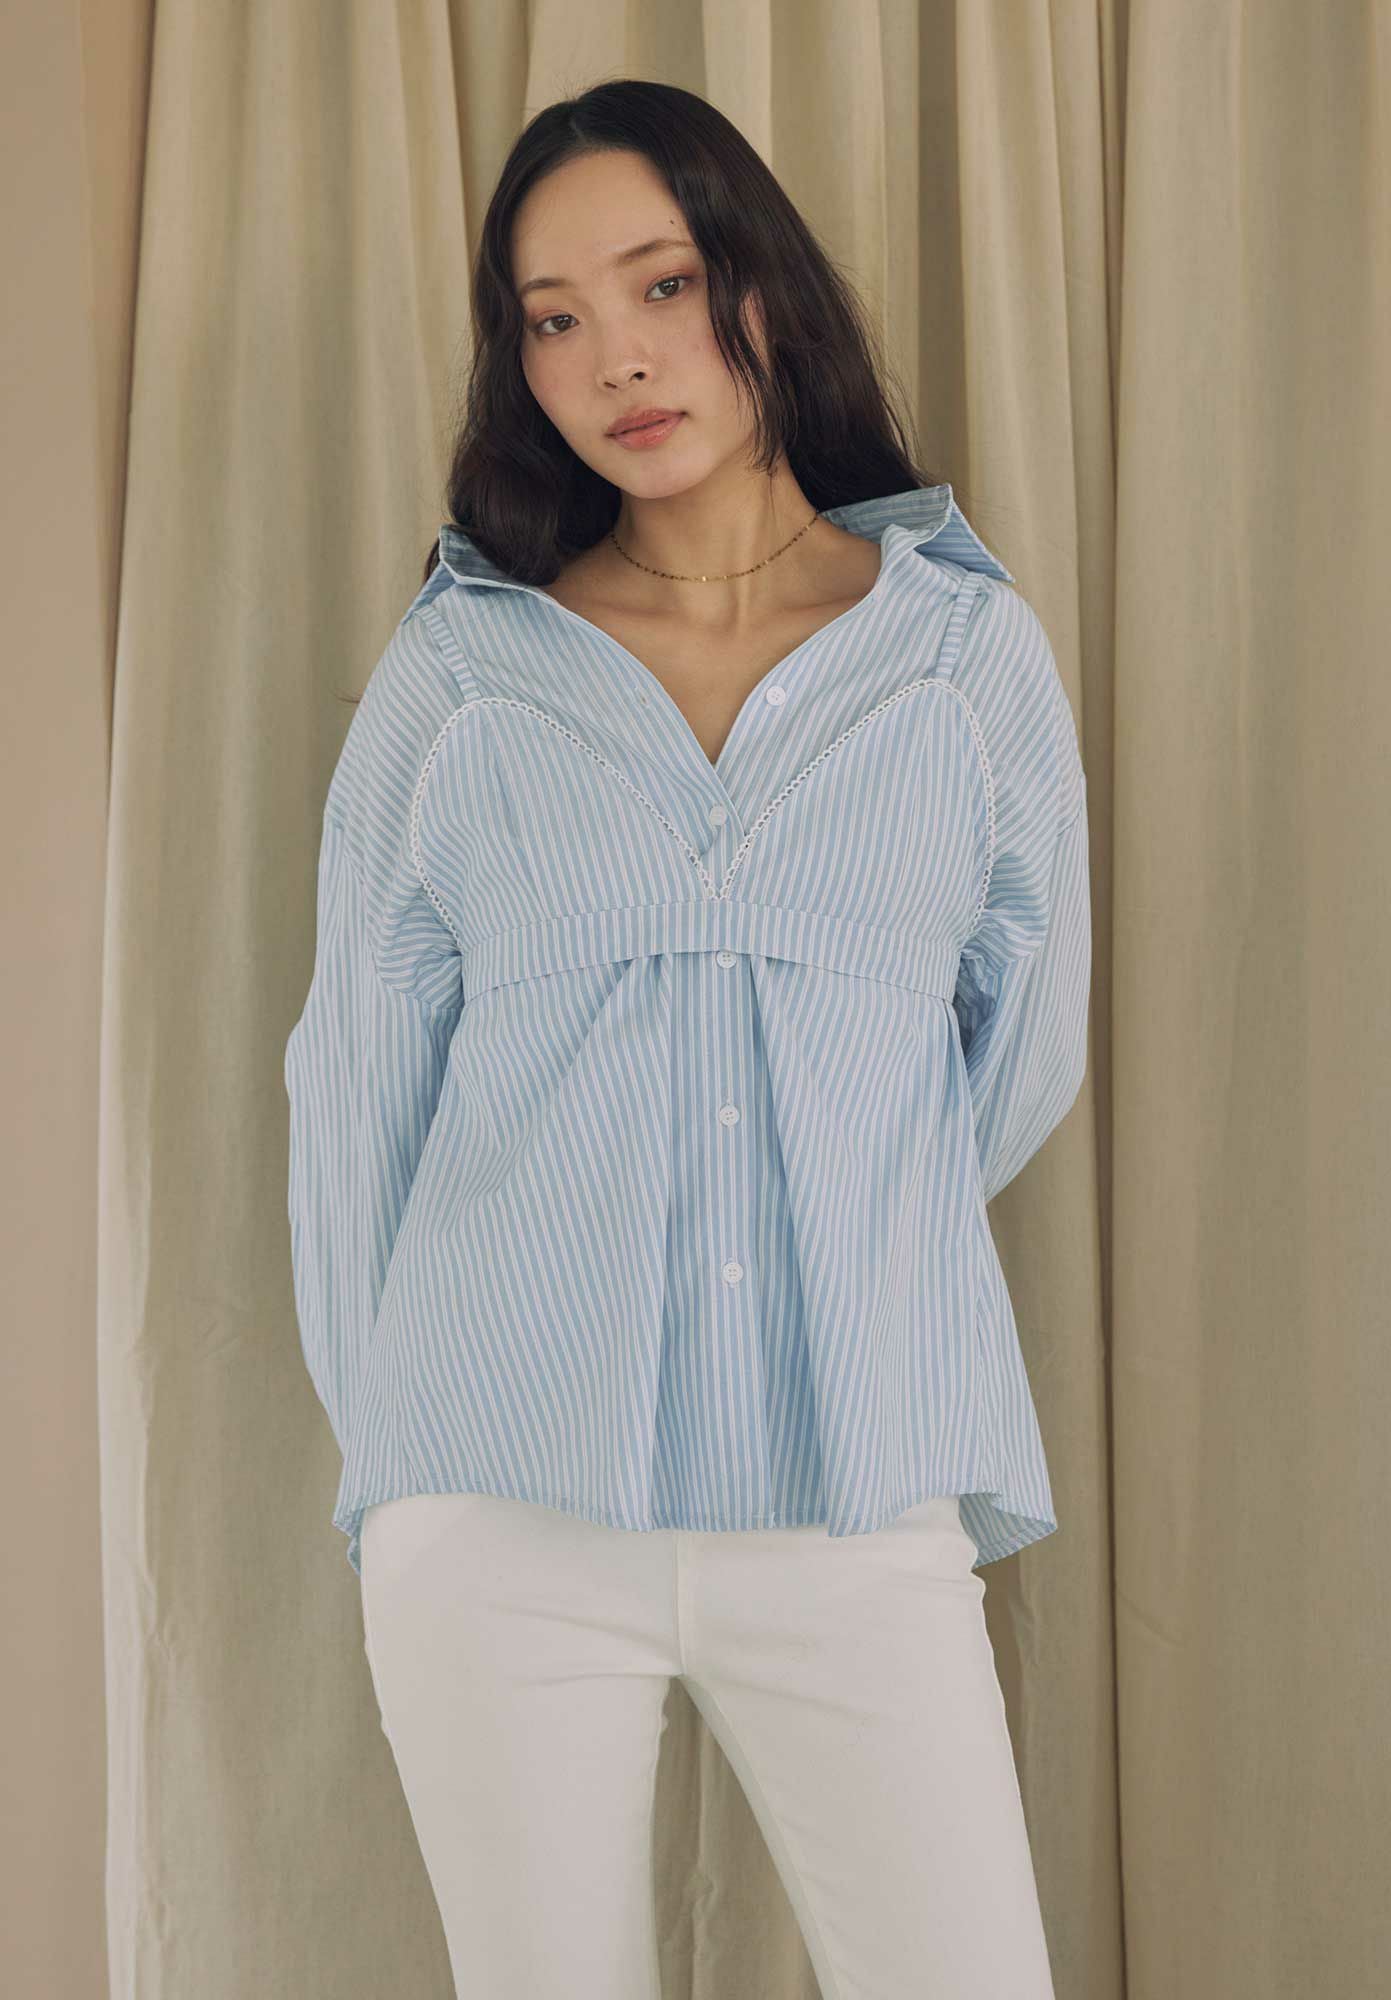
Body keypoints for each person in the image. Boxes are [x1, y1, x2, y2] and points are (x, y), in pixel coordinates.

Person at [283, 76, 1088, 2000]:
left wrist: (844, 1216)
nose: (616, 360)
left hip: (855, 1476)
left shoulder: (961, 656)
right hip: (499, 1496)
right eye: (553, 319)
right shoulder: (464, 675)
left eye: (660, 284)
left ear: (762, 284)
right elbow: (355, 1092)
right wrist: (407, 1462)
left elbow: (1015, 1053)